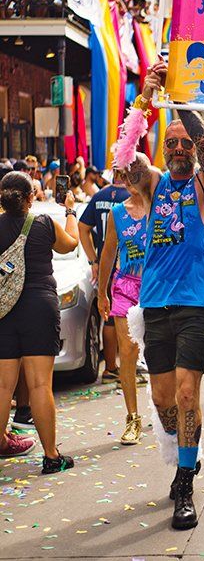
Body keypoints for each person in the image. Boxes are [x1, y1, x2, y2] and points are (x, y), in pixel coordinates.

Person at [126, 60, 204, 530]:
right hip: (154, 305)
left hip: (197, 304)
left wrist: (183, 101)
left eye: (185, 141)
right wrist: (147, 97)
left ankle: (185, 482)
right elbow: (125, 159)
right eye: (172, 143)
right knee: (165, 401)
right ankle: (189, 451)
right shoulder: (153, 185)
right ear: (164, 151)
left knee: (187, 394)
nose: (181, 148)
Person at [0, 170, 80, 472]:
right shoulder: (44, 223)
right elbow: (70, 244)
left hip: (4, 310)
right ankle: (50, 456)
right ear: (31, 198)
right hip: (39, 307)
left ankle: (2, 443)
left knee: (3, 386)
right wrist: (69, 210)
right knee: (39, 385)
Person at [95, 154, 152, 446]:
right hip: (126, 287)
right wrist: (101, 292)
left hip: (157, 287)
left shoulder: (160, 207)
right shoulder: (118, 212)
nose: (131, 180)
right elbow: (108, 252)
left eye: (136, 173)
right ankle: (133, 418)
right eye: (126, 175)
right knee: (127, 351)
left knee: (157, 352)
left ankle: (166, 406)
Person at [79, 166, 131, 381]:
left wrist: (94, 260)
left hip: (105, 264)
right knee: (127, 315)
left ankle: (110, 367)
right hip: (127, 265)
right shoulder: (131, 196)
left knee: (108, 317)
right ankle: (128, 364)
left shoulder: (99, 196)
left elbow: (82, 227)